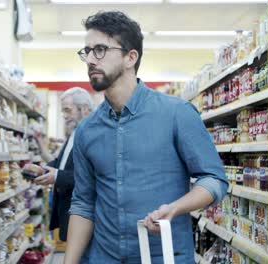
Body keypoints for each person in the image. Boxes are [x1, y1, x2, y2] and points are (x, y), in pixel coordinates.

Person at [64, 11, 228, 264]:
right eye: (86, 51)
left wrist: (176, 207)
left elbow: (214, 179)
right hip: (102, 256)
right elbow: (83, 203)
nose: (90, 60)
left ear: (131, 57)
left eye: (100, 49)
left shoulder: (176, 114)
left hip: (164, 255)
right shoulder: (87, 130)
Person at [24, 87, 94, 242]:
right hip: (68, 209)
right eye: (63, 111)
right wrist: (42, 169)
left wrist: (57, 176)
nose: (64, 116)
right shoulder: (76, 132)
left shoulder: (94, 136)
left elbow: (92, 176)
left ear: (85, 109)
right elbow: (61, 163)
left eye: (68, 110)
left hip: (82, 213)